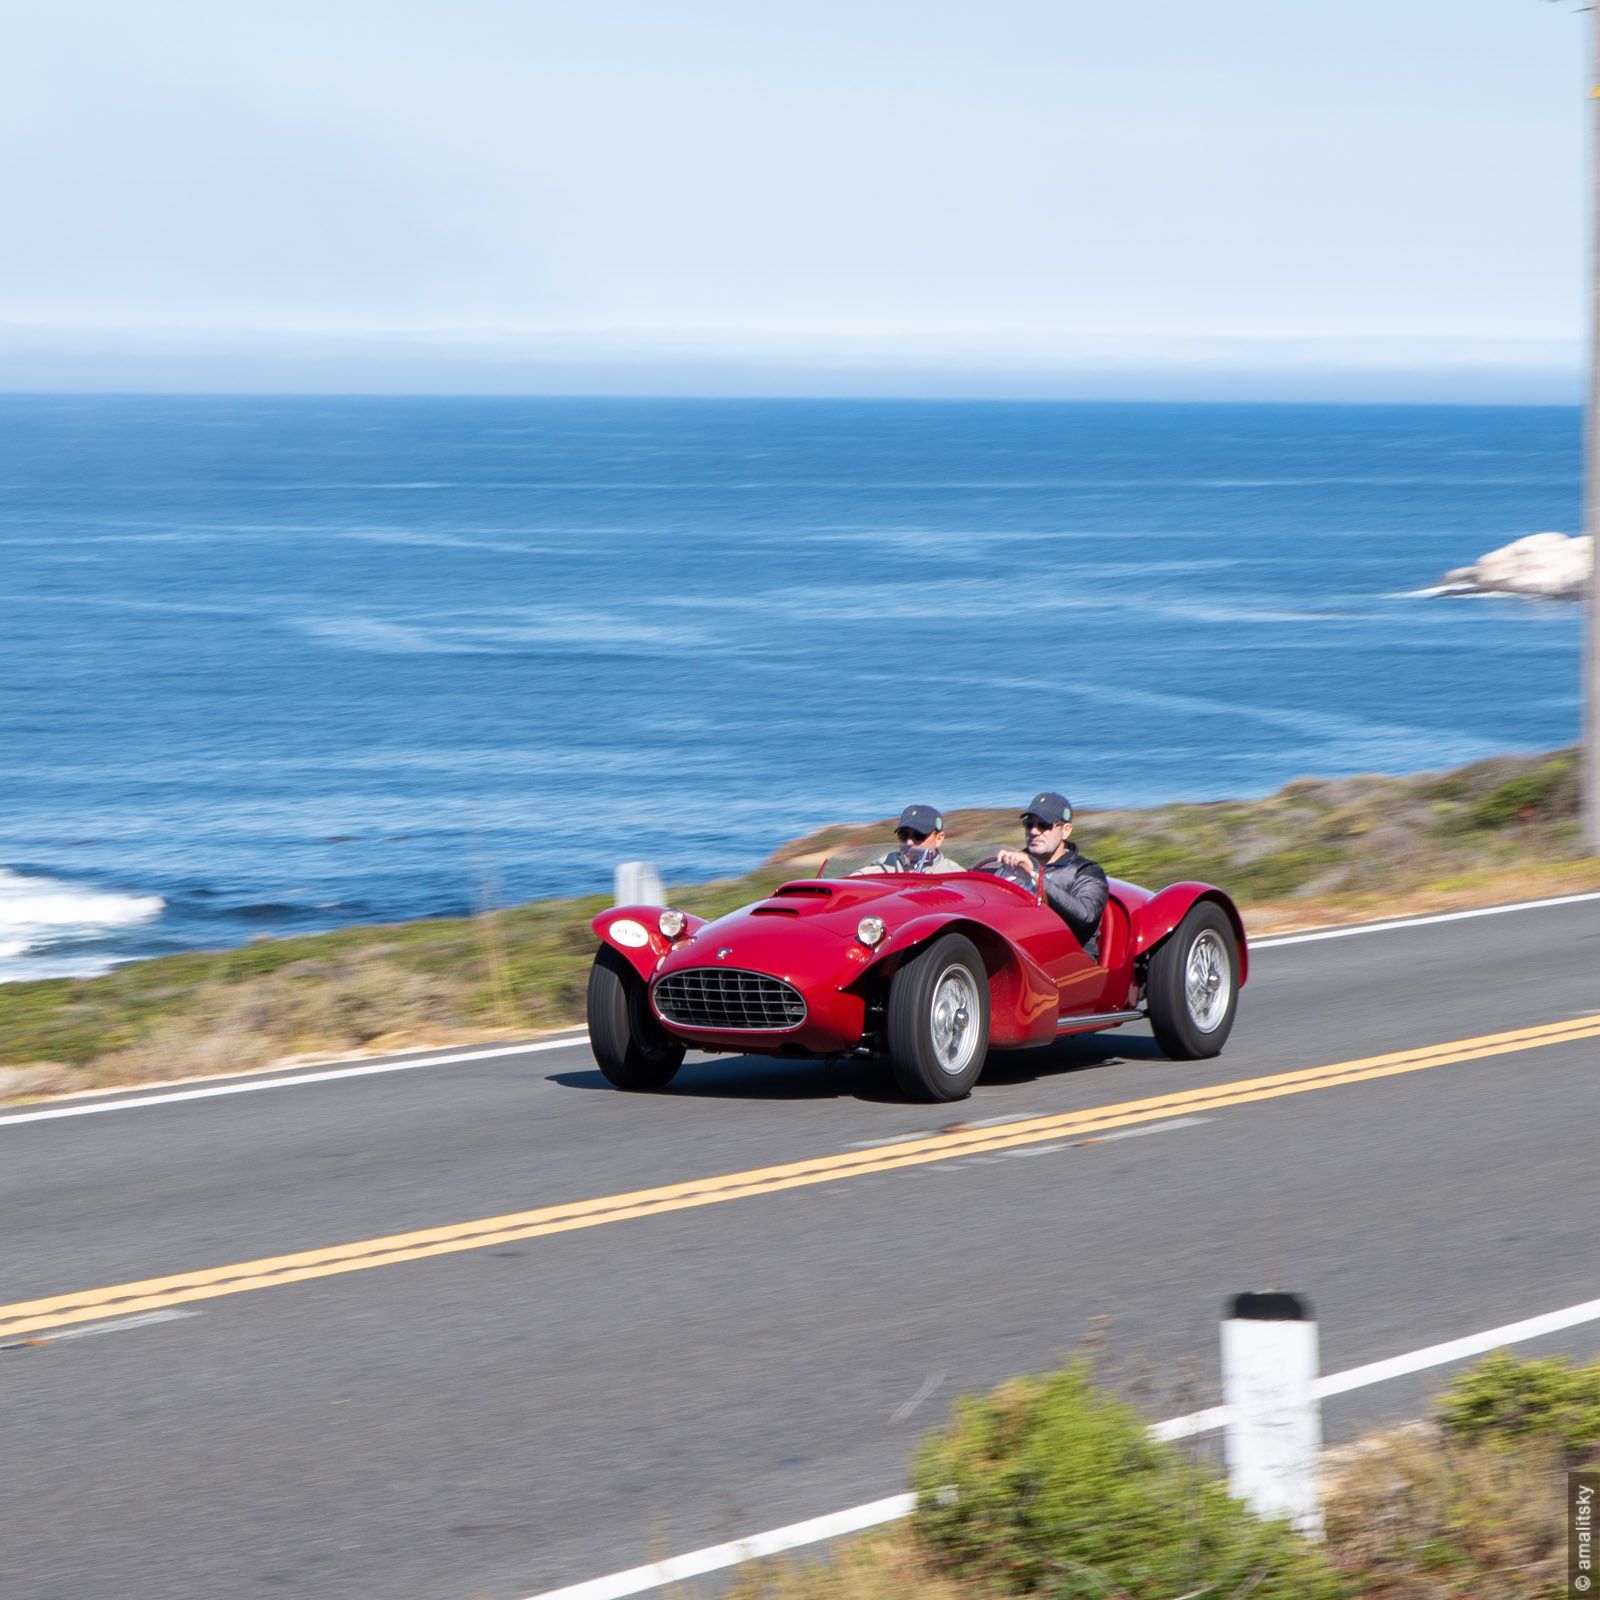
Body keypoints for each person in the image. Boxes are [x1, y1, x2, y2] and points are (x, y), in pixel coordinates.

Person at [996, 791, 1108, 958]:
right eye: (1029, 824)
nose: (1034, 831)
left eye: (1044, 824)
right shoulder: (1010, 866)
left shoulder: (1087, 871)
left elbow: (1085, 914)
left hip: (1067, 963)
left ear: (1066, 830)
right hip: (1011, 952)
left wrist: (1034, 876)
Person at [851, 804, 962, 875]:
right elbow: (851, 883)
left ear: (939, 838)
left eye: (919, 835)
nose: (909, 842)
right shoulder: (886, 866)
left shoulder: (954, 874)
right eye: (903, 835)